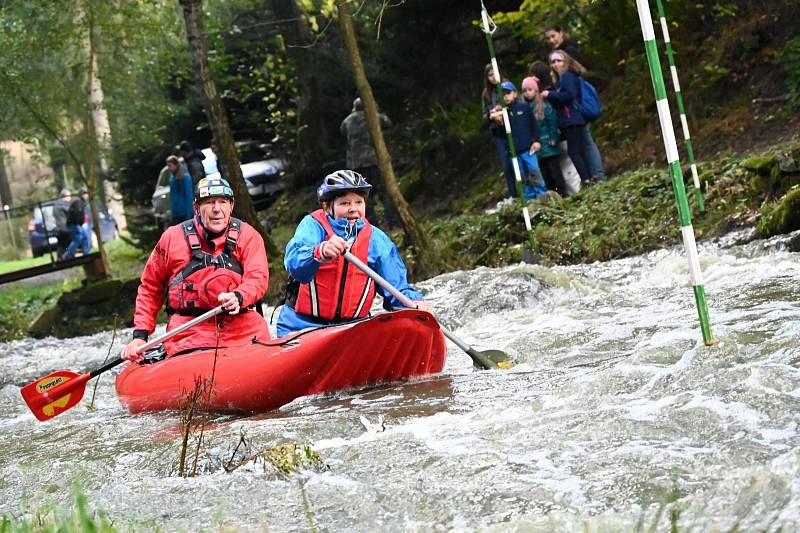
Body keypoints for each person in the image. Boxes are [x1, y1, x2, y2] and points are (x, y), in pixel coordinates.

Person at [122, 177, 270, 361]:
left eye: (223, 202)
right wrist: (140, 337)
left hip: (243, 327)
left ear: (231, 206)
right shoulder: (171, 238)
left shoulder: (249, 236)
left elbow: (257, 278)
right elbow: (150, 288)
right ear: (196, 208)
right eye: (209, 203)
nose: (217, 209)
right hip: (189, 332)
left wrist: (239, 296)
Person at [276, 170, 431, 338]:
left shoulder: (376, 240)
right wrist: (319, 252)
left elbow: (395, 290)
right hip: (303, 327)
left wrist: (415, 303)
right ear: (327, 207)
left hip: (352, 330)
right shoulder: (312, 227)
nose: (353, 209)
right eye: (344, 203)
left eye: (359, 202)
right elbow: (295, 265)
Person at [543, 27, 606, 182]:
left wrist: (551, 94)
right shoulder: (563, 70)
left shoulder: (569, 62)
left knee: (585, 143)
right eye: (548, 38)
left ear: (561, 34)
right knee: (583, 144)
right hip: (573, 112)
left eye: (553, 36)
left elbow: (569, 94)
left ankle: (597, 176)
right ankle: (594, 176)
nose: (551, 40)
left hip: (575, 111)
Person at [340, 98, 396, 226]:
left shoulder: (347, 121)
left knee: (364, 196)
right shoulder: (374, 116)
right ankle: (393, 221)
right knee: (384, 192)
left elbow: (342, 131)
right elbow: (388, 122)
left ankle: (371, 224)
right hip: (375, 161)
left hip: (356, 165)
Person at [542, 50, 593, 185]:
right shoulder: (559, 79)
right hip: (569, 119)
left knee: (574, 151)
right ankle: (589, 177)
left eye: (559, 61)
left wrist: (550, 95)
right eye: (553, 62)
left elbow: (569, 96)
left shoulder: (567, 76)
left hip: (572, 119)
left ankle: (586, 179)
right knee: (579, 150)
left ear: (565, 62)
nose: (556, 64)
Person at [493, 81, 546, 199]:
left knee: (534, 172)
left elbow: (534, 125)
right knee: (521, 177)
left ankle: (541, 195)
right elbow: (500, 135)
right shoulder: (501, 113)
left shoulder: (524, 107)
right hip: (513, 153)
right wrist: (500, 123)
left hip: (528, 149)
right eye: (502, 94)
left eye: (508, 93)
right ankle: (529, 198)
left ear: (515, 94)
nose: (505, 96)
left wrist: (537, 141)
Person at [522, 76, 566, 196]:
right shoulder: (525, 108)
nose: (527, 93)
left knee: (554, 170)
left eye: (529, 90)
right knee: (544, 172)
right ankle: (551, 194)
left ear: (535, 90)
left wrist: (553, 137)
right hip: (536, 146)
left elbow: (552, 122)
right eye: (525, 91)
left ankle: (562, 193)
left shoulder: (544, 106)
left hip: (548, 143)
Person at [482, 64, 517, 199]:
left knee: (518, 161)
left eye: (494, 74)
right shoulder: (486, 94)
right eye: (490, 75)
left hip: (512, 129)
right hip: (498, 133)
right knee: (506, 165)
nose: (493, 77)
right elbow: (484, 117)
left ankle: (527, 191)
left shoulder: (508, 86)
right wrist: (491, 115)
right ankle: (513, 195)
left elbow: (517, 103)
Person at [165, 155, 194, 225]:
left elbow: (189, 196)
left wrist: (189, 214)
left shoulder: (185, 177)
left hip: (184, 213)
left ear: (176, 165)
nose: (169, 168)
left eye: (170, 166)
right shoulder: (172, 179)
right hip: (175, 213)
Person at [63, 188, 88, 259]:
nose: (87, 196)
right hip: (73, 224)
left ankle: (86, 253)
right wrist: (79, 223)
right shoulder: (78, 202)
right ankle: (67, 255)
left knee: (84, 236)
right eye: (86, 194)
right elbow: (77, 214)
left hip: (74, 223)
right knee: (79, 237)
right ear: (82, 194)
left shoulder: (79, 201)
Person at [52, 188, 72, 258]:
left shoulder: (56, 205)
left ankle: (60, 258)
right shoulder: (65, 204)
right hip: (65, 228)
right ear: (65, 196)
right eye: (69, 196)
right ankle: (69, 257)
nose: (70, 198)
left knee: (61, 244)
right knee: (69, 243)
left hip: (58, 228)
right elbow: (70, 213)